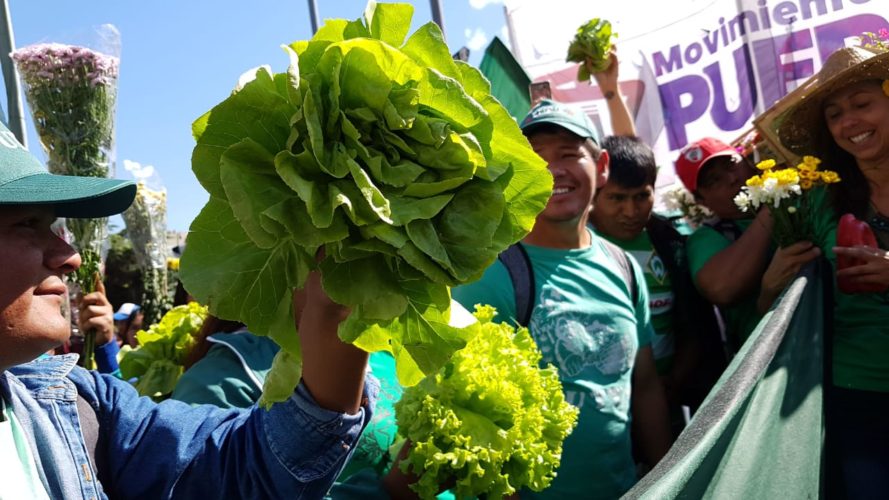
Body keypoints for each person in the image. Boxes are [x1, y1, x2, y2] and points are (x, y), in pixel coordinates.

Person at [0, 122, 375, 499]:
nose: (70, 257)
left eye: (51, 226)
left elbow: (242, 470)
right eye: (27, 224)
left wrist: (334, 315)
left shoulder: (79, 404)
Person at [451, 99, 671, 499]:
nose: (553, 169)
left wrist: (668, 478)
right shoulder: (490, 276)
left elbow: (645, 385)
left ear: (602, 166)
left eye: (569, 154)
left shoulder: (624, 267)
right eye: (535, 157)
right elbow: (470, 418)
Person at [773, 44, 889, 498]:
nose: (849, 122)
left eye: (862, 104)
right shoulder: (820, 200)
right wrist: (770, 285)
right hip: (858, 394)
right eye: (835, 114)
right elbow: (770, 299)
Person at [591, 135, 725, 416]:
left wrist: (673, 382)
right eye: (617, 198)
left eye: (642, 196)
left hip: (670, 399)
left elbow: (692, 323)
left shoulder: (670, 243)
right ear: (594, 193)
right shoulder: (579, 247)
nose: (631, 211)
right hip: (605, 408)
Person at [674, 138, 820, 349]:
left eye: (731, 164)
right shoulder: (706, 238)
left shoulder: (801, 197)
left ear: (747, 161)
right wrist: (774, 201)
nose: (732, 179)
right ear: (701, 201)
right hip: (775, 353)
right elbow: (722, 289)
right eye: (714, 180)